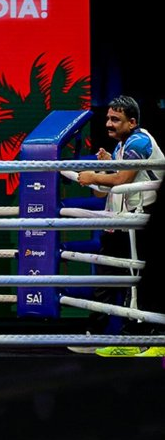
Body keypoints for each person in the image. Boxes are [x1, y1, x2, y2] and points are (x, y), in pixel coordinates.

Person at [74, 96, 165, 357]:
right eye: (108, 118)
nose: (109, 124)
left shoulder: (139, 141)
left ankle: (148, 340)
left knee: (142, 282)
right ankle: (109, 337)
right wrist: (104, 170)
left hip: (145, 222)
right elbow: (102, 192)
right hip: (124, 223)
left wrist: (95, 175)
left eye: (116, 119)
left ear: (132, 122)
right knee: (111, 279)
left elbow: (123, 179)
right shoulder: (121, 147)